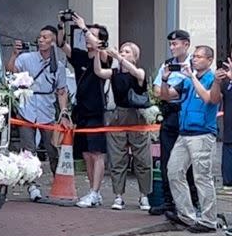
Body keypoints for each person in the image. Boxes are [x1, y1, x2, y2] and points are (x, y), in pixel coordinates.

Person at [5, 25, 70, 201]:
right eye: (40, 37)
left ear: (53, 42)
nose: (41, 40)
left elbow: (62, 91)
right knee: (28, 150)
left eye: (46, 37)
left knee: (52, 149)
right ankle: (32, 185)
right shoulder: (26, 58)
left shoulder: (59, 66)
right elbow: (11, 72)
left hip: (47, 110)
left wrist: (63, 112)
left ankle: (59, 183)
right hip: (26, 108)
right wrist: (14, 55)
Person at [160, 45, 220, 233]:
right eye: (194, 56)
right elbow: (166, 96)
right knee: (174, 171)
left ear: (209, 60)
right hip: (184, 132)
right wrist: (164, 79)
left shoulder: (212, 79)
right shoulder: (186, 81)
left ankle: (209, 220)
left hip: (202, 133)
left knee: (202, 176)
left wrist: (192, 76)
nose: (194, 59)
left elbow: (209, 99)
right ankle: (186, 215)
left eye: (199, 57)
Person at [58, 13, 110, 208]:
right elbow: (62, 44)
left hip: (97, 110)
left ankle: (96, 191)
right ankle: (92, 190)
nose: (87, 38)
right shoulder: (79, 55)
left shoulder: (103, 56)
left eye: (92, 35)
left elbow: (102, 50)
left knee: (98, 153)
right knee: (87, 154)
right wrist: (62, 25)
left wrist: (84, 28)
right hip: (82, 110)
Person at [93, 42, 152, 211]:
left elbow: (137, 74)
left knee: (142, 158)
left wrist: (118, 58)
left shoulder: (139, 72)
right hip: (118, 115)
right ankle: (118, 195)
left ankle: (144, 195)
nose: (123, 54)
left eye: (127, 52)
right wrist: (98, 53)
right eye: (121, 51)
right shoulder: (115, 73)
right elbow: (99, 72)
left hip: (137, 116)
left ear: (135, 56)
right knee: (118, 158)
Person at [149, 30, 200, 215]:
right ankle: (168, 201)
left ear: (186, 44)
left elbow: (172, 93)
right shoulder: (167, 65)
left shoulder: (194, 66)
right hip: (170, 115)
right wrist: (164, 81)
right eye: (170, 44)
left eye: (175, 44)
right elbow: (157, 92)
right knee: (167, 160)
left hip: (185, 115)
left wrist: (167, 89)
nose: (172, 48)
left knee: (188, 162)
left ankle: (192, 201)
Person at [215, 56, 232, 195]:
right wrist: (217, 82)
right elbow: (217, 98)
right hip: (229, 127)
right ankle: (227, 183)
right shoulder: (226, 80)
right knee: (227, 150)